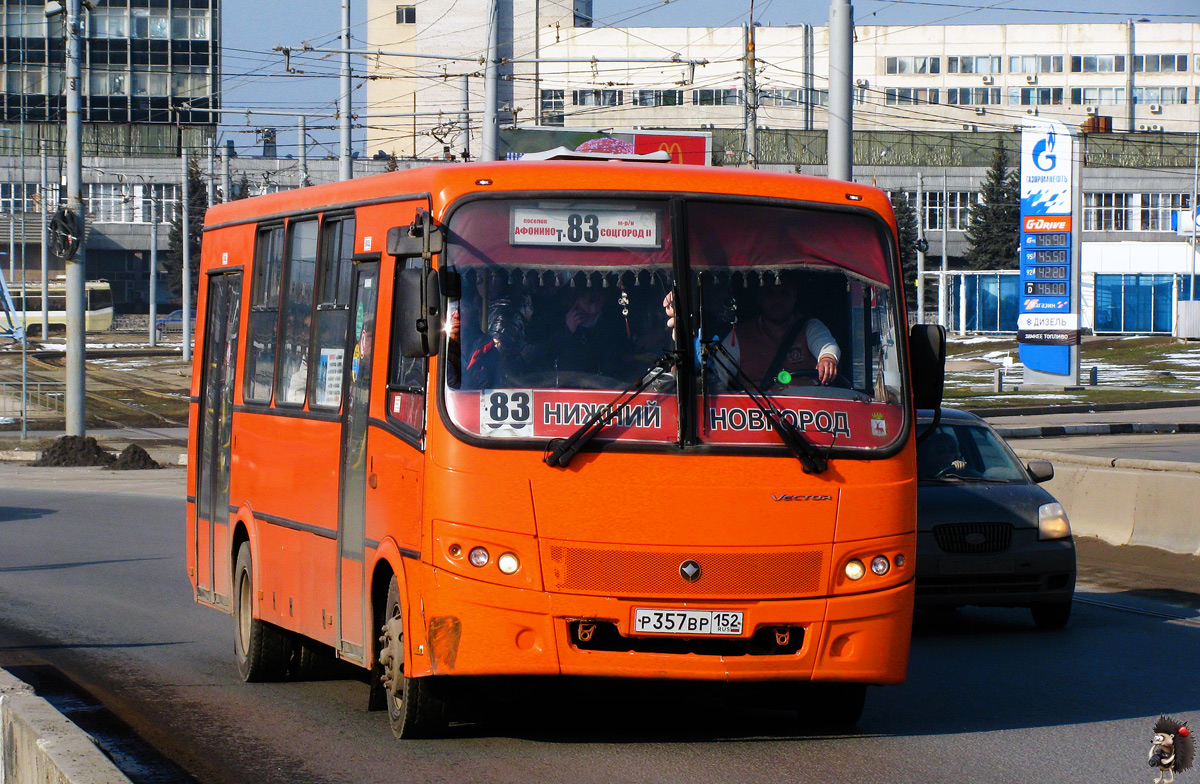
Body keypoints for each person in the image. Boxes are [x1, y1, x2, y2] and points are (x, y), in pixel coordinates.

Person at [662, 277, 840, 391]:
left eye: (784, 294)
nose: (777, 300)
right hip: (759, 421)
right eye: (770, 294)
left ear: (795, 297)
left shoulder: (809, 327)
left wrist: (827, 359)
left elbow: (825, 344)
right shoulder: (739, 335)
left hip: (810, 412)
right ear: (760, 299)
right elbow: (719, 376)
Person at [545, 287, 630, 382]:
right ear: (576, 299)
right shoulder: (556, 321)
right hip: (566, 387)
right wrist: (566, 329)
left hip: (602, 388)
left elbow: (622, 360)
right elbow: (542, 356)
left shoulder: (613, 324)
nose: (593, 309)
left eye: (598, 301)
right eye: (588, 302)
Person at [462, 293, 537, 389]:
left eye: (463, 307)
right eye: (451, 308)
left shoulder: (488, 349)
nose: (456, 313)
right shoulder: (443, 348)